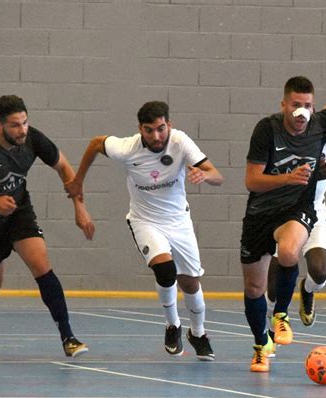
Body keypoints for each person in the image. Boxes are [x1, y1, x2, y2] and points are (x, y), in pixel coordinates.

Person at [65, 101, 223, 361]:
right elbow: (95, 143)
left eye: (161, 128)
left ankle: (198, 333)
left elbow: (216, 174)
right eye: (149, 130)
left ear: (169, 125)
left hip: (178, 222)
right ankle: (173, 325)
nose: (156, 136)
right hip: (145, 221)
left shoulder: (180, 142)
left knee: (190, 282)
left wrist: (205, 176)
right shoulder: (127, 148)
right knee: (165, 269)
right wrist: (78, 181)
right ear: (140, 129)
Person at [0, 95, 95, 357]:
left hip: (18, 213)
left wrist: (79, 208)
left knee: (41, 266)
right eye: (15, 125)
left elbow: (63, 166)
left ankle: (68, 336)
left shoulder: (33, 139)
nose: (22, 130)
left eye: (25, 122)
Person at [240, 76, 326, 372]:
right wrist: (288, 177)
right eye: (296, 105)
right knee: (254, 287)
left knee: (288, 252)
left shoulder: (321, 125)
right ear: (284, 105)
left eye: (307, 106)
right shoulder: (267, 130)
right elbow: (251, 180)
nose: (302, 112)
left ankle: (282, 316)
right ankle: (261, 345)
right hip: (261, 211)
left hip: (299, 207)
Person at [265, 127, 326, 354]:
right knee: (273, 288)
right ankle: (271, 332)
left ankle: (308, 289)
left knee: (320, 271)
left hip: (315, 213)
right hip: (284, 216)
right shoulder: (277, 140)